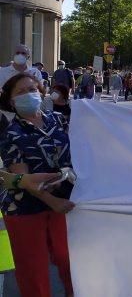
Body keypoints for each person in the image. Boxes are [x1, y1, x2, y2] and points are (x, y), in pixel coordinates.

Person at [0, 73, 75, 296]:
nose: (28, 95)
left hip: (63, 201)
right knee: (34, 271)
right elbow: (25, 180)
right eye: (20, 92)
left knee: (69, 259)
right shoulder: (11, 133)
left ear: (41, 92)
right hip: (25, 208)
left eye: (32, 89)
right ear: (11, 102)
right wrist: (53, 201)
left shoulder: (58, 120)